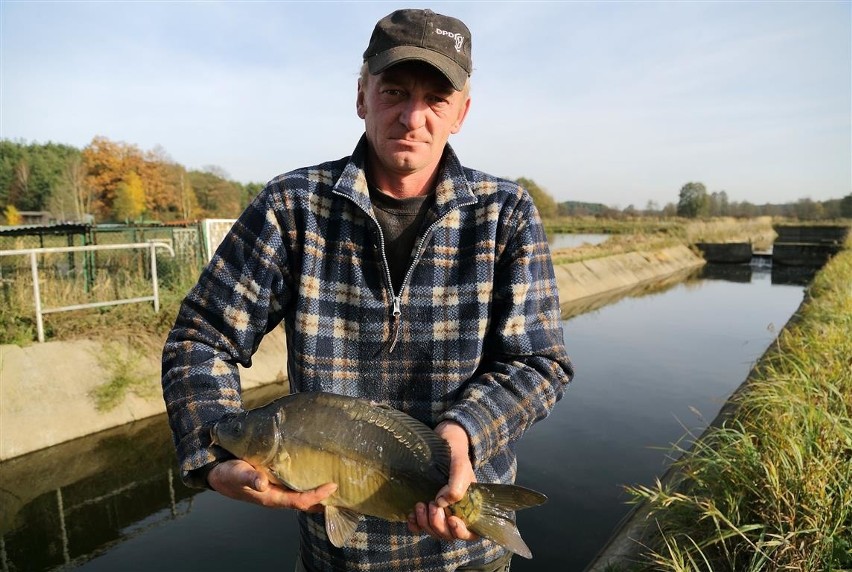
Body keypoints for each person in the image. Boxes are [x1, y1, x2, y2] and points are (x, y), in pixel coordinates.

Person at [162, 8, 573, 572]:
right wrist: (212, 458)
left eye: (436, 99)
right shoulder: (293, 207)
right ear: (362, 96)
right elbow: (201, 337)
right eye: (395, 91)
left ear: (462, 114)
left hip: (465, 546)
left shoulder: (505, 214)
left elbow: (539, 363)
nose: (412, 116)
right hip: (336, 554)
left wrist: (463, 434)